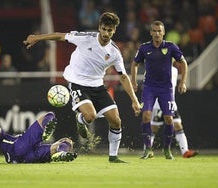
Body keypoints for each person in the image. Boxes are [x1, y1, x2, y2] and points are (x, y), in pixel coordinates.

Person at [23, 12, 141, 163]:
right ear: (99, 27)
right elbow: (60, 36)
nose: (106, 33)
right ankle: (81, 119)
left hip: (97, 85)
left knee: (116, 121)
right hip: (77, 82)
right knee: (90, 116)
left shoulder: (114, 52)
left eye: (110, 30)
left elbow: (123, 76)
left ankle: (113, 157)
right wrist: (37, 38)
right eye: (104, 29)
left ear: (114, 31)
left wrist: (134, 99)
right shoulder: (86, 38)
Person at [131, 20, 188, 160]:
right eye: (154, 31)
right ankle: (148, 149)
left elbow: (184, 62)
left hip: (166, 88)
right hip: (149, 87)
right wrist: (133, 81)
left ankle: (167, 149)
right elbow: (134, 63)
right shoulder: (144, 48)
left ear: (163, 33)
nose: (157, 33)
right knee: (146, 116)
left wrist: (183, 82)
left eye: (159, 31)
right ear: (151, 32)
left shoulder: (170, 47)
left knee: (169, 119)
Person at [0, 89, 77, 163]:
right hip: (22, 148)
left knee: (67, 142)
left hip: (22, 158)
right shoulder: (4, 137)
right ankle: (54, 143)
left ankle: (60, 151)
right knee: (50, 115)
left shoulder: (3, 139)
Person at [146, 66, 198, 158]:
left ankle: (185, 151)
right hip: (158, 103)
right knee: (154, 127)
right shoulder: (155, 68)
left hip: (171, 103)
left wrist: (182, 83)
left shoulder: (174, 70)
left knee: (178, 125)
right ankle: (147, 150)